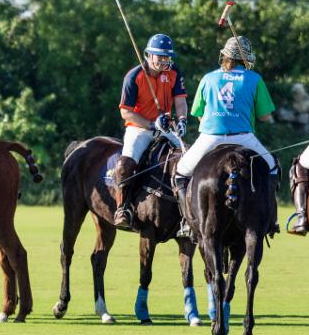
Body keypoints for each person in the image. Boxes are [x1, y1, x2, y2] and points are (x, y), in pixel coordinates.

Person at [174, 36, 277, 236]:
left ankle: (186, 221)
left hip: (210, 138)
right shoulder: (254, 78)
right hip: (243, 138)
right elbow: (264, 116)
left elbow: (199, 114)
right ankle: (271, 220)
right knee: (272, 167)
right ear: (245, 59)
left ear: (225, 56)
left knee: (181, 172)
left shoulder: (208, 78)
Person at [115, 34, 187, 232]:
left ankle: (188, 215)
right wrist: (151, 124)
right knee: (124, 165)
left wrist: (182, 120)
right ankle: (122, 209)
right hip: (139, 128)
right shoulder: (134, 76)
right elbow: (125, 111)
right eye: (160, 56)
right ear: (149, 55)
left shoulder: (174, 71)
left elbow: (180, 100)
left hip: (167, 128)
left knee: (188, 160)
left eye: (167, 56)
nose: (164, 60)